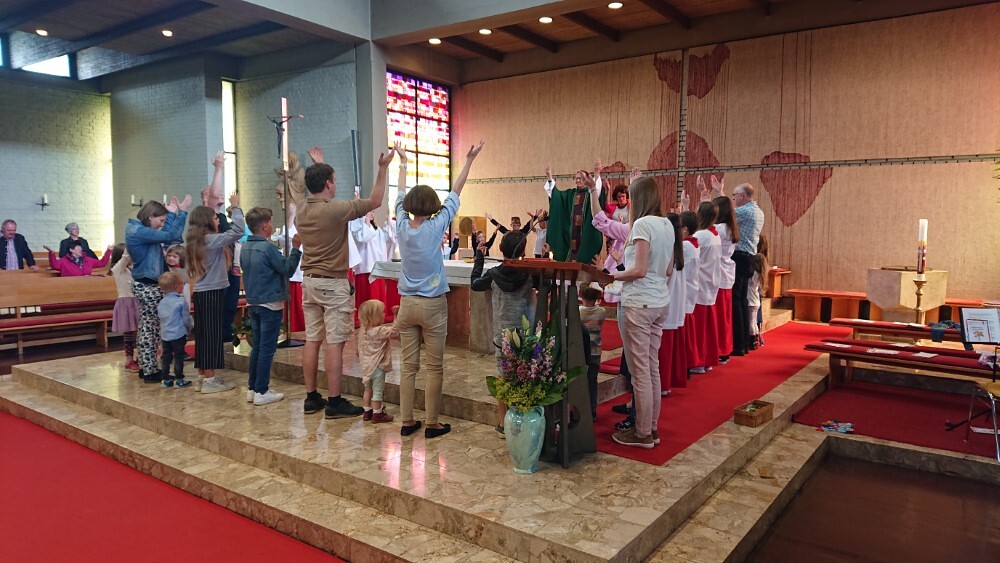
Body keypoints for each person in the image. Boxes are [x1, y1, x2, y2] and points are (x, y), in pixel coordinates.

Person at [296, 145, 394, 418]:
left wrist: (319, 165)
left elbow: (315, 191)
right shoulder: (335, 210)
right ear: (328, 184)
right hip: (332, 283)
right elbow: (375, 201)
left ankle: (311, 397)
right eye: (334, 180)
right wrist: (382, 168)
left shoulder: (302, 209)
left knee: (312, 339)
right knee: (335, 342)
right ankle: (334, 401)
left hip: (309, 282)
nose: (336, 184)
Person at [396, 139, 484, 439]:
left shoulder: (400, 225)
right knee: (434, 367)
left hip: (407, 304)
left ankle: (407, 421)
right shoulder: (436, 227)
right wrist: (469, 160)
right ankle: (431, 423)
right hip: (432, 304)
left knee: (408, 367)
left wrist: (403, 162)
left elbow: (399, 194)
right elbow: (456, 191)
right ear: (433, 206)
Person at [609, 176, 673, 449]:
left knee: (640, 373)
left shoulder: (643, 224)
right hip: (659, 301)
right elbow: (668, 269)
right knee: (652, 367)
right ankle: (652, 428)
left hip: (639, 303)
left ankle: (642, 432)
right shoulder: (667, 224)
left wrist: (609, 276)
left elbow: (639, 270)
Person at [471, 229, 535, 435]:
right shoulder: (529, 273)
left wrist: (479, 258)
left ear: (499, 248)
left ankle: (503, 422)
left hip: (503, 336)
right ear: (523, 251)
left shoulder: (493, 274)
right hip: (525, 334)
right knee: (525, 375)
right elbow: (547, 285)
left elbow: (475, 284)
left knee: (503, 377)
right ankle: (525, 417)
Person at [241, 207, 302, 406]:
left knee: (258, 347)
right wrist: (295, 249)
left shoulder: (245, 247)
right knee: (267, 349)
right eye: (270, 222)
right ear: (265, 226)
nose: (272, 225)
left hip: (254, 301)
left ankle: (252, 388)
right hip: (269, 302)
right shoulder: (267, 249)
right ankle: (262, 390)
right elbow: (287, 269)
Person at [125, 196, 190, 382]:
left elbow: (172, 236)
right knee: (149, 328)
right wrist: (180, 212)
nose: (161, 224)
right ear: (150, 216)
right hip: (147, 284)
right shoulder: (138, 231)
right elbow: (169, 235)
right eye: (160, 220)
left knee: (150, 327)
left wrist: (172, 215)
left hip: (147, 283)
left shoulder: (142, 230)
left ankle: (147, 367)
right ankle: (149, 370)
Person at [186, 192, 244, 393]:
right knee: (212, 336)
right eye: (214, 218)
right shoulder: (210, 240)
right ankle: (210, 380)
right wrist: (235, 207)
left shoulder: (197, 240)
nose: (218, 220)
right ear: (206, 222)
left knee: (203, 335)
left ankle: (203, 376)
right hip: (212, 292)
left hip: (202, 292)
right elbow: (238, 231)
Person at [200, 151, 242, 348]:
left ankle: (226, 335)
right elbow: (214, 197)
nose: (220, 195)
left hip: (230, 267)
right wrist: (218, 169)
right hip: (216, 273)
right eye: (214, 194)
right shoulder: (207, 220)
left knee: (230, 306)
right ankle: (218, 340)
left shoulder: (221, 218)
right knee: (217, 311)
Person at [542, 164, 603, 263]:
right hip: (570, 238)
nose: (578, 180)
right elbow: (556, 196)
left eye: (581, 178)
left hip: (585, 236)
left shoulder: (591, 194)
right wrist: (550, 178)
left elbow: (597, 192)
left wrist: (597, 174)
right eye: (577, 178)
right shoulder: (570, 194)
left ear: (587, 179)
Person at [731, 183, 765, 356]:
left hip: (740, 256)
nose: (733, 199)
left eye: (734, 195)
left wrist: (718, 192)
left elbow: (726, 216)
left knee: (736, 301)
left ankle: (738, 344)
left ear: (742, 196)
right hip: (748, 257)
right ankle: (743, 343)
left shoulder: (746, 211)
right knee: (742, 300)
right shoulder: (758, 211)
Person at [690, 202, 721, 374]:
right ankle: (707, 359)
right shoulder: (714, 234)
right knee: (707, 327)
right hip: (710, 282)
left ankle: (699, 361)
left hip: (700, 283)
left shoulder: (701, 235)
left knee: (699, 329)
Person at [356, 300, 399, 423]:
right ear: (374, 317)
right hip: (378, 366)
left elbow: (358, 350)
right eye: (382, 313)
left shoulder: (363, 331)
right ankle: (377, 413)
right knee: (378, 391)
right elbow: (395, 330)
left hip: (366, 367)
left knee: (368, 389)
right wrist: (396, 315)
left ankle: (367, 411)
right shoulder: (379, 330)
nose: (384, 314)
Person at [658, 213, 686, 395]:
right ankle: (666, 383)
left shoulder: (668, 250)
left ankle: (662, 385)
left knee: (664, 350)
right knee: (668, 348)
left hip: (666, 302)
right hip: (676, 302)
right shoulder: (678, 249)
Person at [712, 194, 739, 363]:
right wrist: (719, 191)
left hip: (720, 275)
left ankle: (721, 349)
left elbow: (701, 231)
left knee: (720, 317)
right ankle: (724, 348)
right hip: (726, 275)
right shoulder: (730, 227)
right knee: (725, 317)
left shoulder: (720, 229)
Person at [156, 271, 193, 388]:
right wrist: (189, 329)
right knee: (179, 357)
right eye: (182, 284)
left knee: (166, 357)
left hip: (165, 335)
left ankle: (165, 379)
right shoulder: (181, 301)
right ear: (176, 286)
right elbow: (186, 319)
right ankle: (179, 379)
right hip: (178, 334)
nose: (183, 286)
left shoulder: (161, 302)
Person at [678, 211, 702, 380]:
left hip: (685, 291)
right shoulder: (692, 243)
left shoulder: (686, 247)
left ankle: (686, 365)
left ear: (685, 229)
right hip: (689, 289)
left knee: (684, 334)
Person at [109, 244, 140, 373]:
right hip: (126, 303)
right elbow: (125, 258)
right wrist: (131, 242)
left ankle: (141, 358)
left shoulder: (132, 269)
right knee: (128, 333)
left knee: (140, 332)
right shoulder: (118, 269)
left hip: (137, 302)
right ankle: (129, 360)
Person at [579, 286, 606, 421]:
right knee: (592, 381)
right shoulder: (602, 311)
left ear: (581, 295)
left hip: (581, 351)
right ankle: (592, 410)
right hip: (595, 351)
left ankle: (578, 409)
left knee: (578, 381)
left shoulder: (578, 311)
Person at [748, 234, 770, 350]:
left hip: (751, 300)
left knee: (751, 322)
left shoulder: (753, 274)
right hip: (755, 299)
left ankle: (752, 340)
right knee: (753, 321)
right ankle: (756, 338)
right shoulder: (761, 272)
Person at [44, 240, 111, 276]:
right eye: (78, 247)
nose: (81, 249)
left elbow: (102, 263)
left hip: (87, 287)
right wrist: (52, 253)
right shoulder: (64, 261)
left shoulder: (87, 259)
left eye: (81, 247)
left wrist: (109, 250)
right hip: (69, 287)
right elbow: (54, 265)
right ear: (71, 250)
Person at [165, 244, 191, 311]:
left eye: (174, 256)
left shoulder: (187, 267)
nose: (171, 258)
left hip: (184, 287)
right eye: (169, 256)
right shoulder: (168, 267)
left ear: (181, 258)